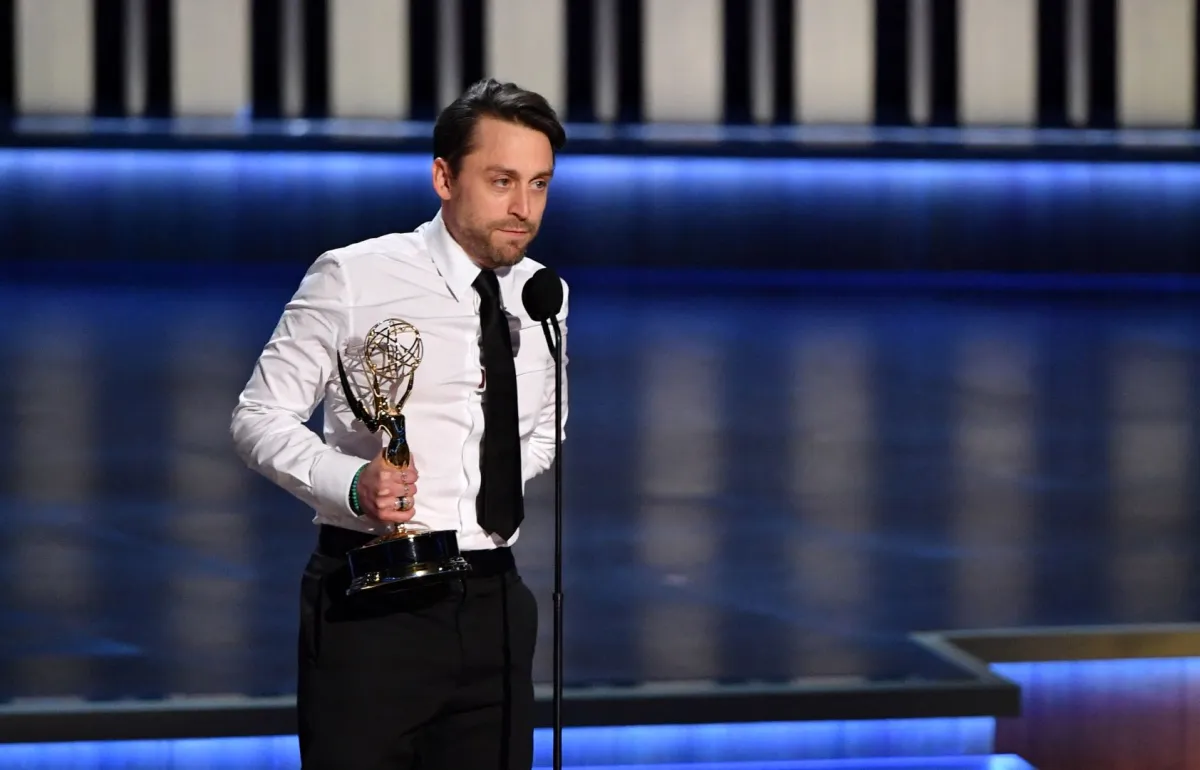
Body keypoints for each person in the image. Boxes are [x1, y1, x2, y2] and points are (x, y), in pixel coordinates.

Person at [230, 78, 569, 770]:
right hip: (375, 602)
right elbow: (258, 416)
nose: (522, 208)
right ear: (444, 176)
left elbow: (542, 432)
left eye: (539, 184)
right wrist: (354, 484)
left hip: (498, 604)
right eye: (502, 181)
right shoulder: (354, 277)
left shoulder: (544, 294)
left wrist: (469, 484)